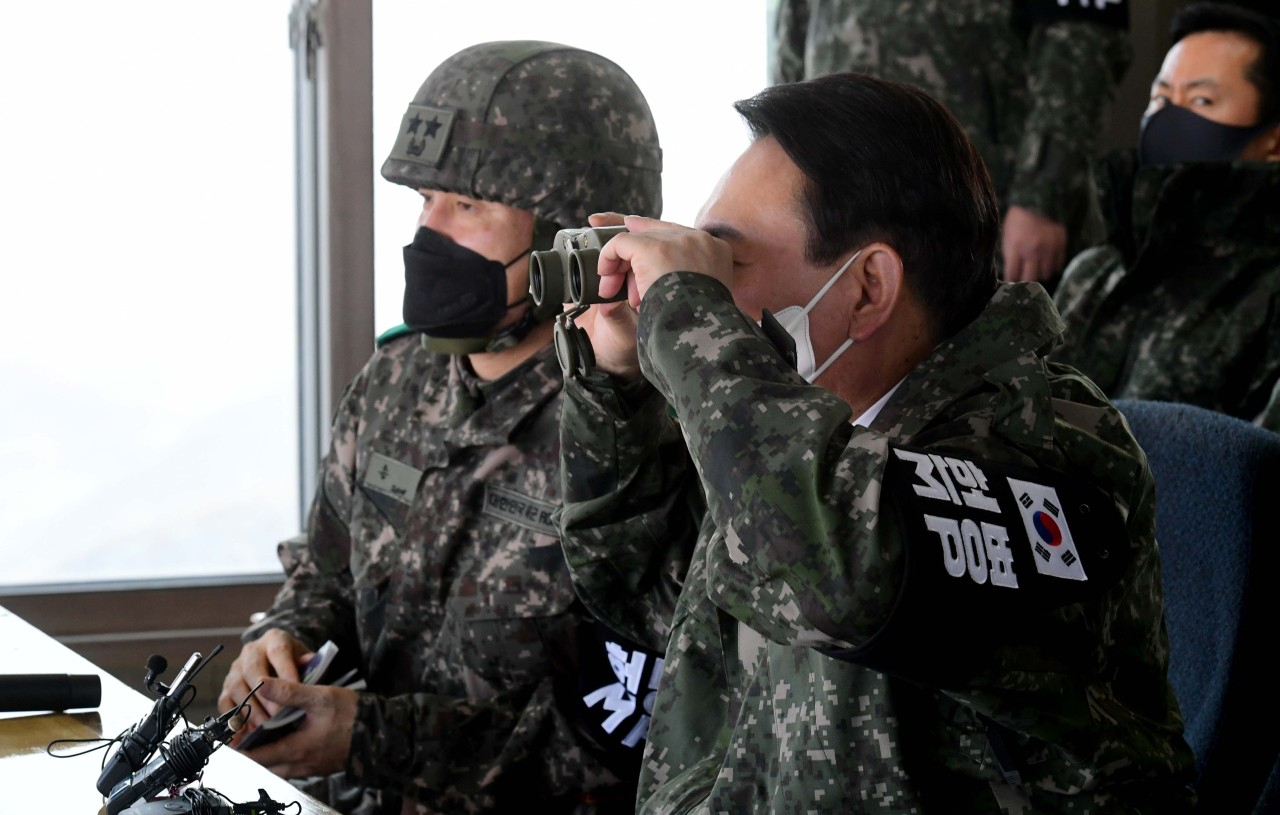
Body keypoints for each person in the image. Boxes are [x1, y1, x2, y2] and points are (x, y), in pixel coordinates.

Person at [554, 72, 1195, 812]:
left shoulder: (1045, 446)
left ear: (866, 288)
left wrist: (689, 326)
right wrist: (619, 385)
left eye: (726, 264)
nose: (707, 301)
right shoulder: (810, 428)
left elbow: (846, 570)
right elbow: (646, 582)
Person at [215, 40, 664, 815]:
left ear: (571, 239)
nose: (428, 234)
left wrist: (370, 737)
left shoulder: (638, 431)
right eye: (425, 198)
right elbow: (327, 573)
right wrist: (280, 643)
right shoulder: (395, 381)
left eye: (467, 205)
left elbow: (632, 730)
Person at [769, 0, 1132, 285]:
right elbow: (792, 56)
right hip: (846, 213)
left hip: (988, 218)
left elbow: (1081, 45)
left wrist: (1044, 198)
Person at [1051, 2, 1280, 432]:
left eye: (1201, 100)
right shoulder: (1093, 274)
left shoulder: (1267, 292)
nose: (1169, 118)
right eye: (1160, 98)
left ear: (1273, 141)